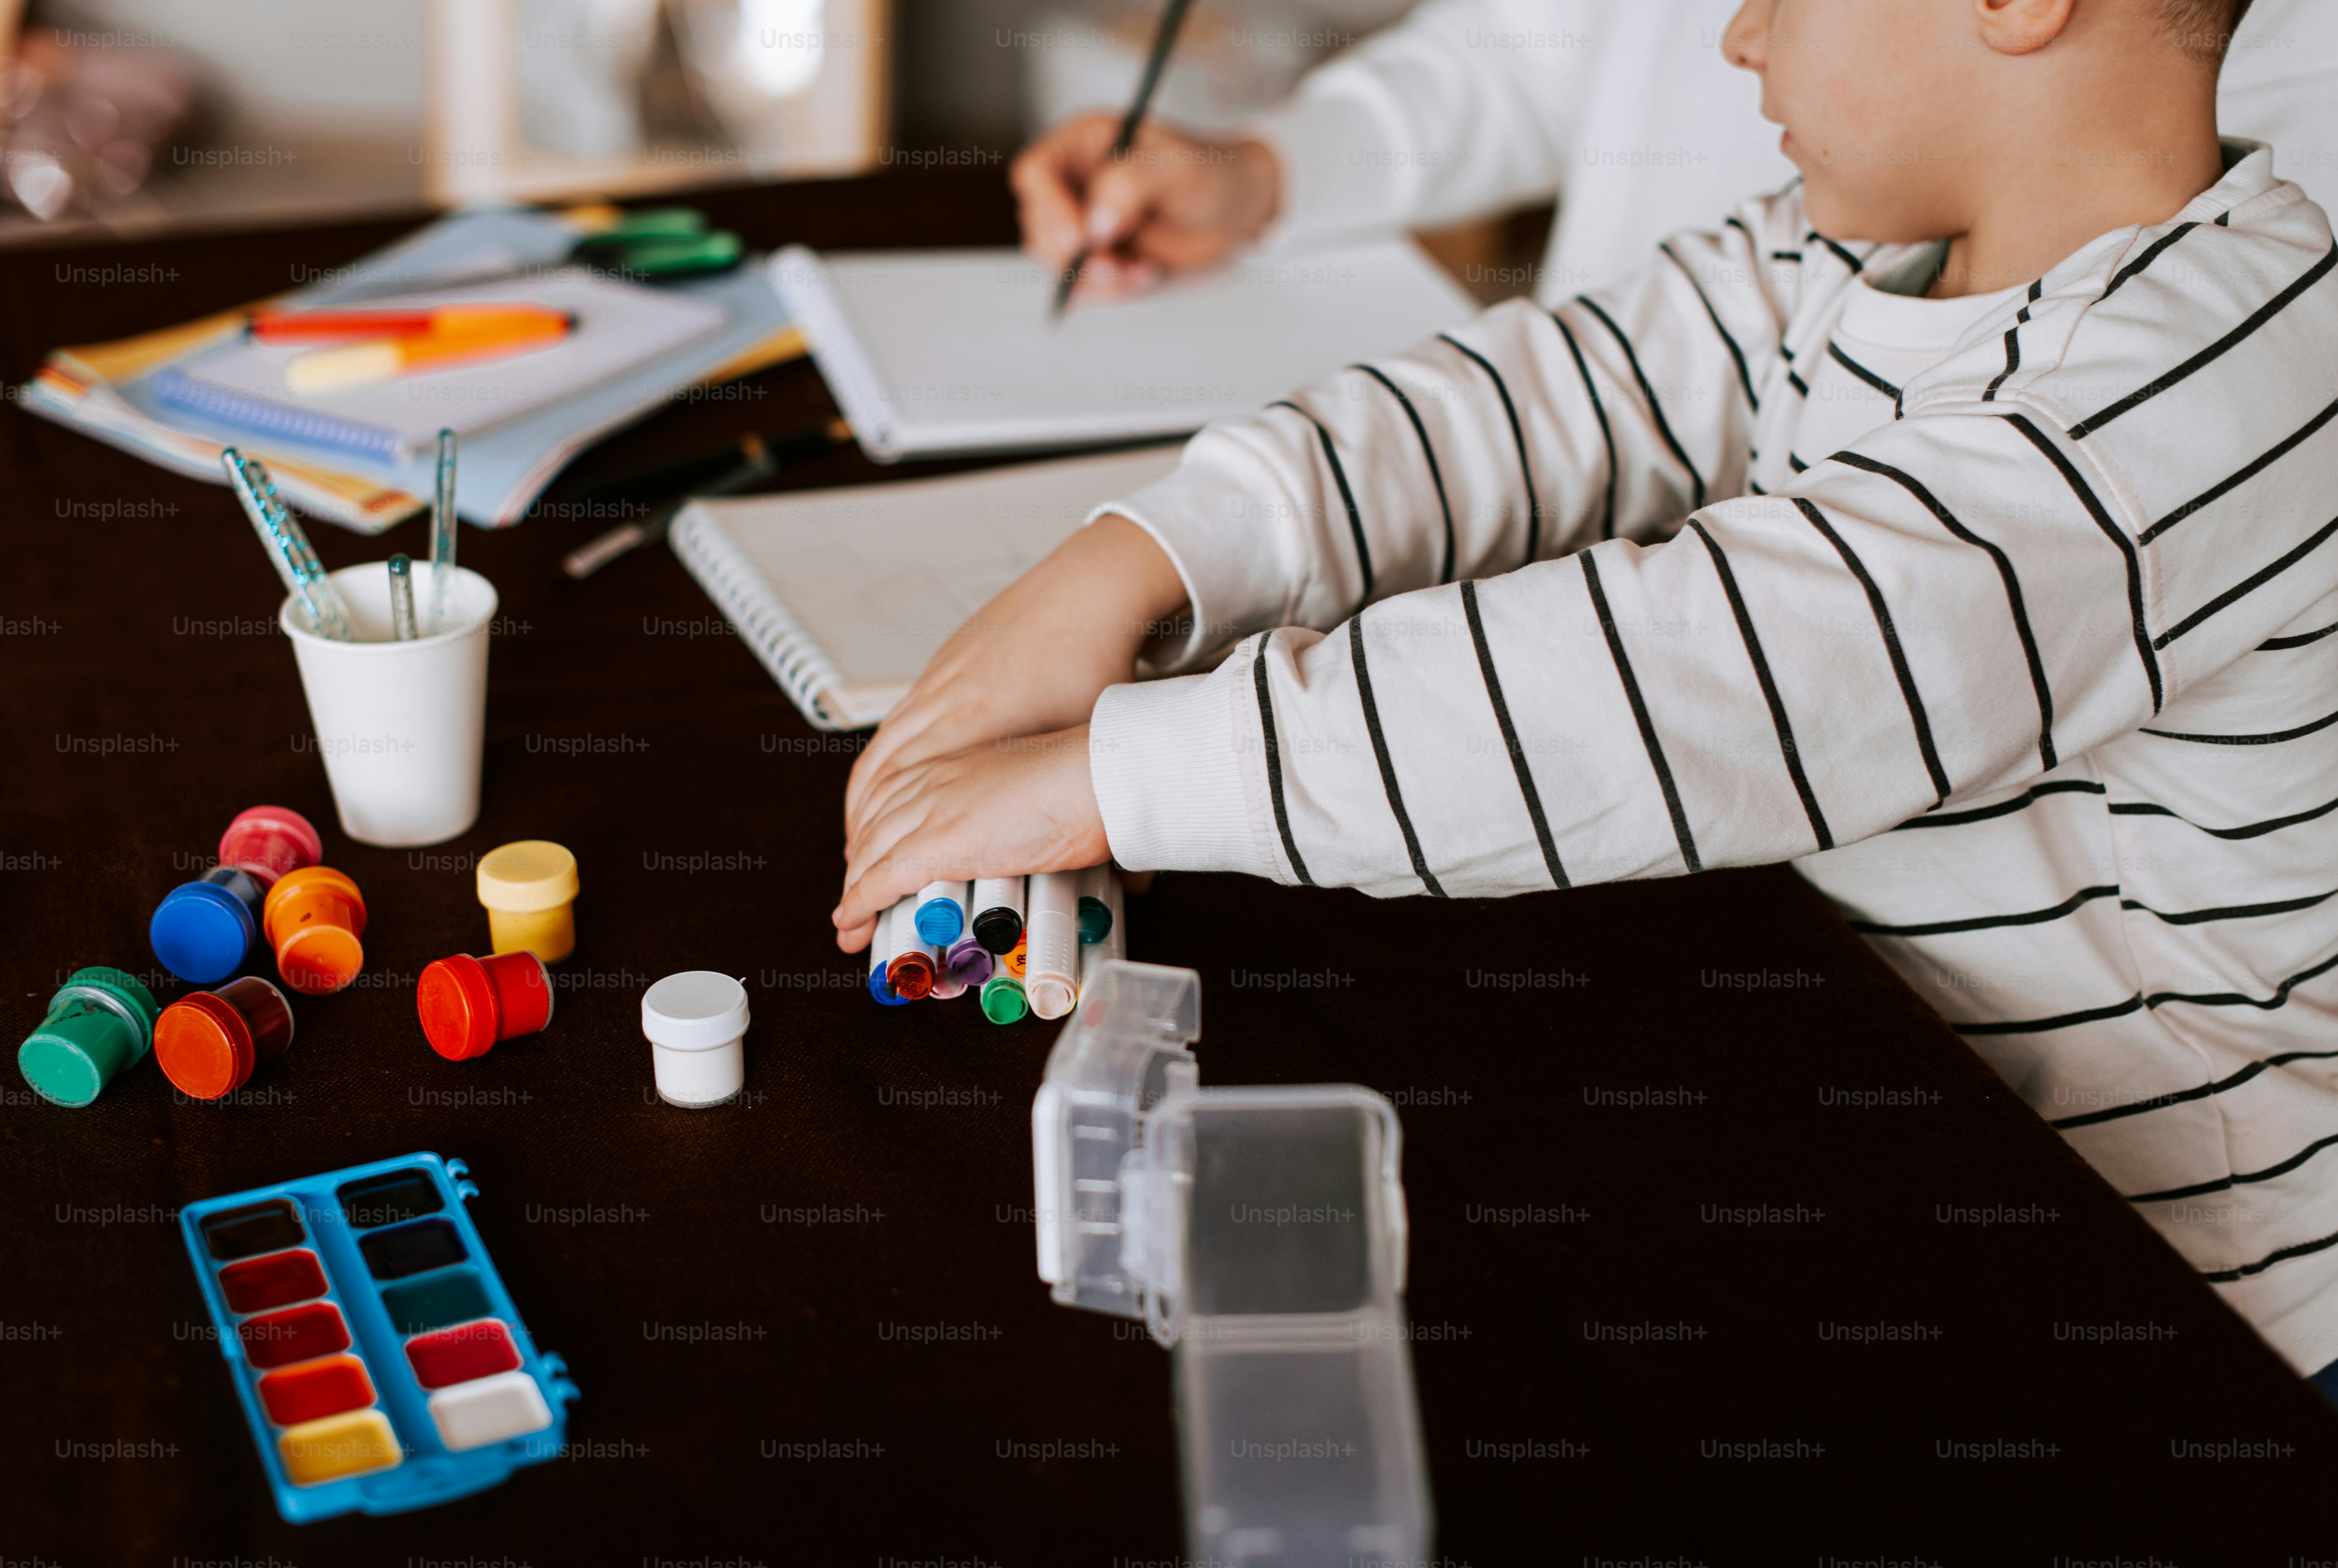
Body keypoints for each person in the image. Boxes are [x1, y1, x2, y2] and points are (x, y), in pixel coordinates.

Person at [837, 0, 2338, 1380]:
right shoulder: (1861, 253)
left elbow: (1678, 679)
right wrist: (1133, 561)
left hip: (2172, 1278)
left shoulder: (2180, 394)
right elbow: (1555, 391)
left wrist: (1121, 773)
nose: (1739, 38)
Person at [1010, 0, 2338, 302]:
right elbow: (1550, 41)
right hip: (1591, 553)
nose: (1735, 37)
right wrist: (1272, 171)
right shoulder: (1689, 326)